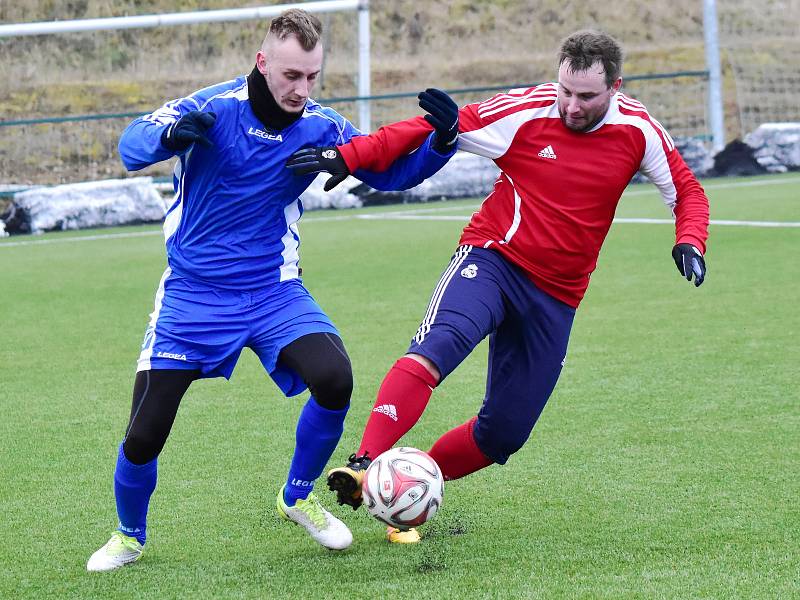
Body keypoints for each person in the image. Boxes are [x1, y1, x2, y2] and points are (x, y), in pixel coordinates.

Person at [286, 29, 709, 543]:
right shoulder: (526, 112)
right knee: (435, 350)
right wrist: (348, 157)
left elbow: (686, 190)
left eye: (586, 97)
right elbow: (427, 128)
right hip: (492, 261)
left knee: (504, 434)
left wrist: (690, 239)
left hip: (557, 296)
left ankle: (405, 487)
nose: (571, 106)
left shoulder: (639, 131)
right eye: (565, 91)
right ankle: (365, 466)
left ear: (615, 88)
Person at [86, 9, 459, 571]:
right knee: (144, 434)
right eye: (291, 75)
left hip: (272, 291)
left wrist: (442, 141)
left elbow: (391, 171)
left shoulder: (323, 125)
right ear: (263, 63)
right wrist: (168, 135)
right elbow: (132, 143)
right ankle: (128, 535)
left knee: (334, 379)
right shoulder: (213, 107)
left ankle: (297, 496)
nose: (301, 89)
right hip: (194, 293)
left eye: (311, 77)